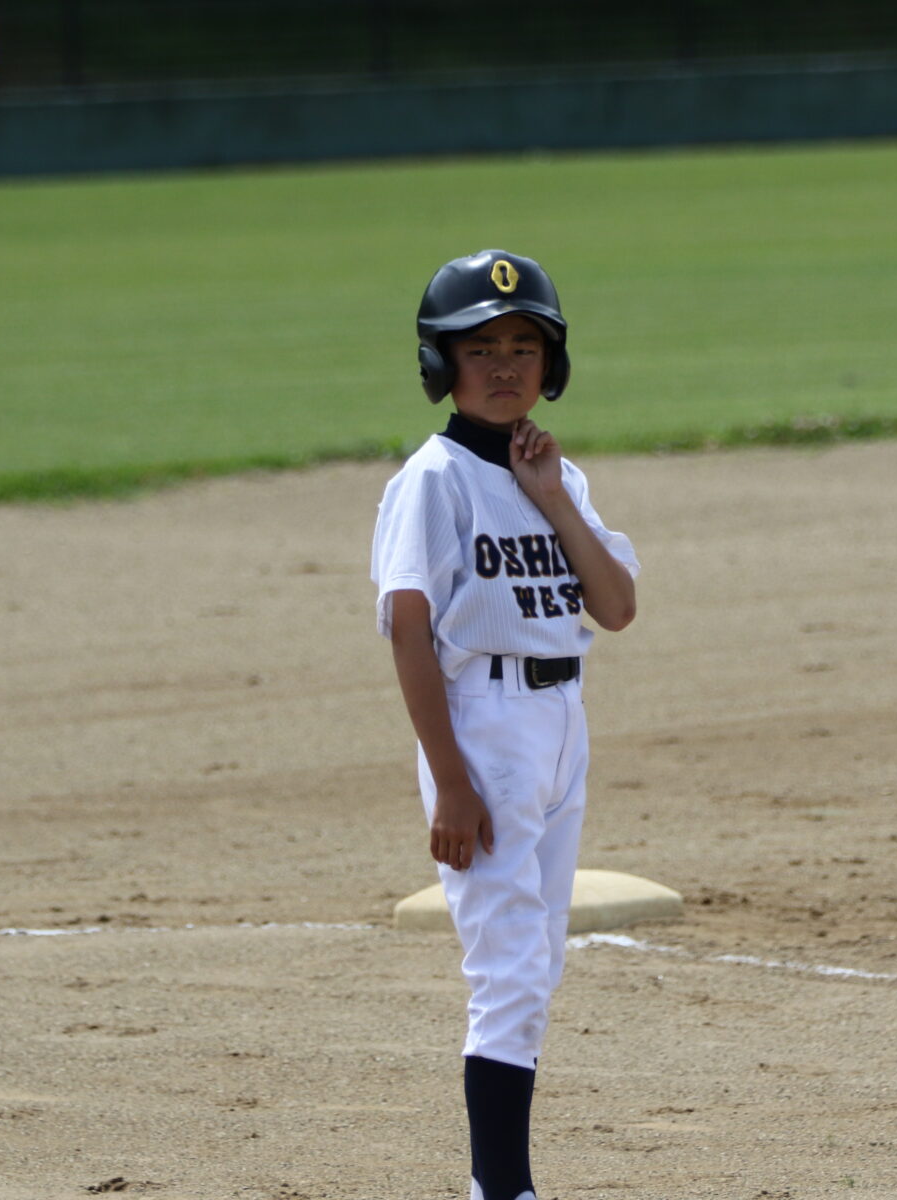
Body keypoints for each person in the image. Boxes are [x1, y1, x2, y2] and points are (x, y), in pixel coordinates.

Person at [370, 250, 640, 1200]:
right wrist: (448, 776)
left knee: (540, 958)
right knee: (511, 966)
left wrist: (555, 496)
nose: (503, 365)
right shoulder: (430, 480)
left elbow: (614, 606)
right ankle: (503, 1188)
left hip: (561, 719)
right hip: (480, 722)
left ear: (551, 364)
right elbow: (407, 626)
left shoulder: (552, 475)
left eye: (524, 345)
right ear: (441, 364)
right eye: (479, 347)